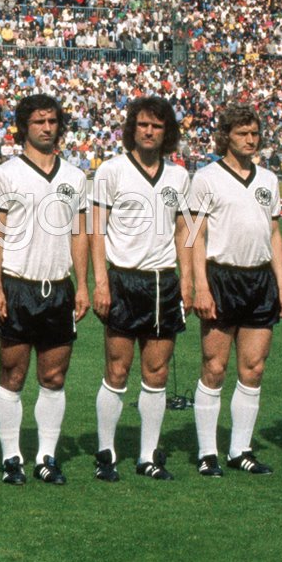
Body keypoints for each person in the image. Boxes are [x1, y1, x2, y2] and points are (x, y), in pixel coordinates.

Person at [0, 93, 89, 485]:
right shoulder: (6, 175)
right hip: (17, 285)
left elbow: (79, 235)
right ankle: (11, 456)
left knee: (54, 377)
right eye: (38, 122)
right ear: (24, 128)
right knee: (12, 375)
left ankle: (46, 457)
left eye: (52, 121)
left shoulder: (75, 177)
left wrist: (83, 285)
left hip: (59, 288)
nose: (47, 128)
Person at [90, 95, 192, 482]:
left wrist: (189, 280)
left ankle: (148, 455)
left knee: (157, 372)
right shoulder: (111, 171)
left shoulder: (179, 177)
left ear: (167, 133)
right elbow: (96, 231)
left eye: (157, 126)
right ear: (132, 129)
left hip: (163, 282)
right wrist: (101, 282)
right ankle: (106, 452)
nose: (149, 132)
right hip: (123, 280)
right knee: (117, 370)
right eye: (143, 124)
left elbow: (185, 231)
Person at [188, 104, 282, 477]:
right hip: (221, 278)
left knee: (254, 368)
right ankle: (207, 452)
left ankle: (240, 450)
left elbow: (274, 233)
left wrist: (281, 285)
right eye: (242, 133)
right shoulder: (205, 178)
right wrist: (201, 286)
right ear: (226, 136)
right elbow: (194, 236)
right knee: (215, 367)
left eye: (254, 133)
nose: (250, 139)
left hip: (260, 280)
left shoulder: (269, 180)